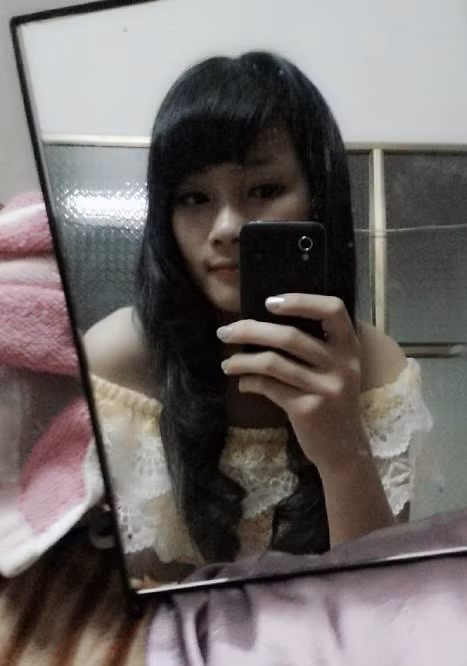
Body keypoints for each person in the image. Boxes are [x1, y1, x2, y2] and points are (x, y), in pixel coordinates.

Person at [83, 51, 433, 585]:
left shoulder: (376, 369)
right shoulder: (114, 363)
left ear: (318, 197)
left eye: (264, 190)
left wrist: (343, 451)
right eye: (194, 197)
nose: (226, 227)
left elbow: (381, 596)